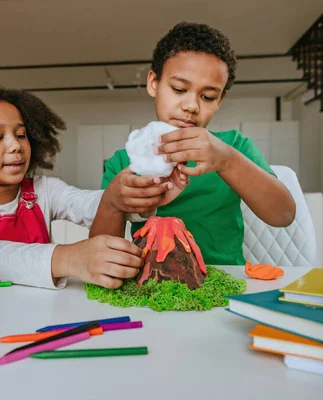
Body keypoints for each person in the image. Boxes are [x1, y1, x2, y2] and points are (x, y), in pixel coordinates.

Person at [0, 78, 173, 289]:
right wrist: (70, 259)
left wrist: (138, 195)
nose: (15, 146)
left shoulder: (45, 191)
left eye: (21, 135)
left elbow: (89, 203)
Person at [92, 22, 296, 266]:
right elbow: (100, 255)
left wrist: (227, 161)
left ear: (220, 100)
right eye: (179, 89)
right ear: (153, 83)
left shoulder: (235, 147)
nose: (191, 106)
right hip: (151, 286)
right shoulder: (124, 163)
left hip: (225, 282)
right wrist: (112, 203)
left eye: (207, 96)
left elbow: (283, 215)